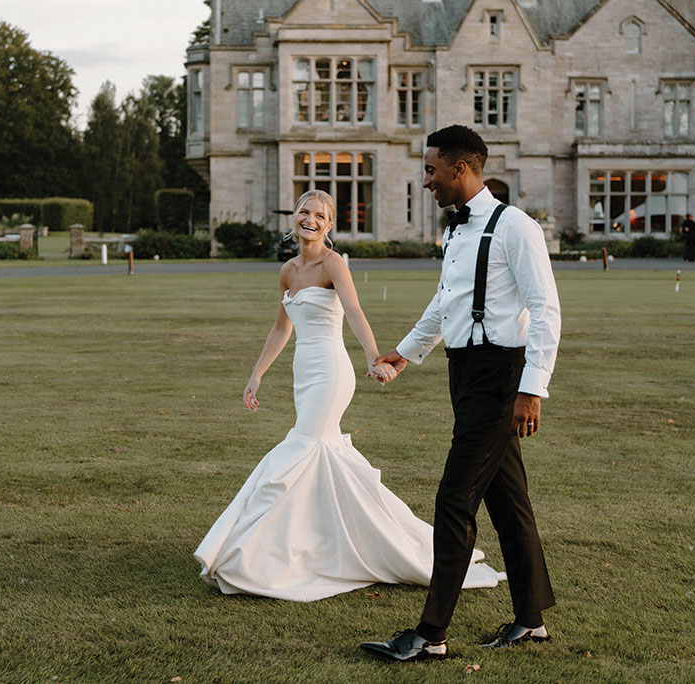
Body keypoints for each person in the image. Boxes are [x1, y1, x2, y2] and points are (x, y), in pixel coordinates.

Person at [194, 189, 505, 602]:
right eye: (305, 212)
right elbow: (282, 327)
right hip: (304, 372)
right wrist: (256, 374)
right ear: (295, 217)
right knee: (321, 454)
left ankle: (260, 552)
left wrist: (375, 357)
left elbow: (355, 312)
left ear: (329, 225)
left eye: (320, 216)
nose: (310, 220)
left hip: (331, 371)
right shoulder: (288, 270)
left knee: (301, 448)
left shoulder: (333, 263)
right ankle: (324, 541)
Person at [359, 125, 561, 662]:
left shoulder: (515, 227)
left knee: (454, 499)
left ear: (461, 168)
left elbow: (545, 310)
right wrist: (406, 352)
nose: (426, 180)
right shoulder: (454, 233)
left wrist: (531, 389)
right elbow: (446, 301)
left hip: (501, 376)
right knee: (508, 501)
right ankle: (531, 621)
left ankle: (431, 635)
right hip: (464, 372)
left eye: (431, 170)